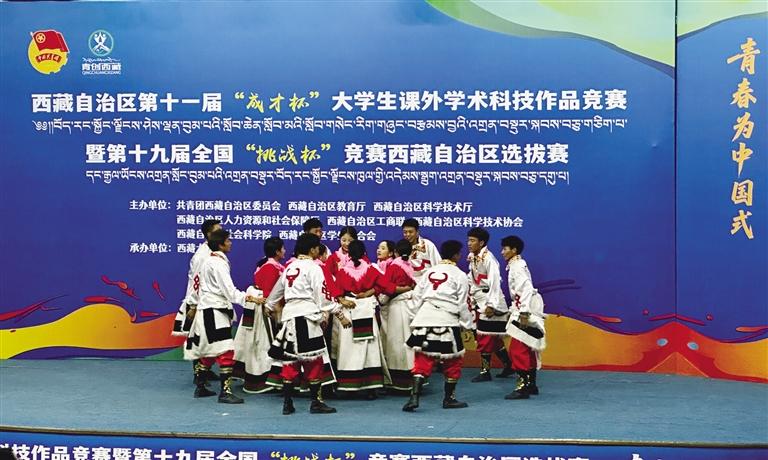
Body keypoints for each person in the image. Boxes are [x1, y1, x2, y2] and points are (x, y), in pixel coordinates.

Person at [265, 233, 351, 414]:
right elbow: (323, 297)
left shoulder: (289, 267)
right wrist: (339, 313)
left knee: (290, 361)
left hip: (290, 319)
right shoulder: (314, 268)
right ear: (312, 249)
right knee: (314, 361)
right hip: (307, 318)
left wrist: (269, 306)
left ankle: (287, 403)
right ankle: (315, 402)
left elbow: (276, 291)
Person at [184, 229, 261, 404]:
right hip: (215, 311)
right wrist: (250, 298)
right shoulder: (218, 263)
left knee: (210, 350)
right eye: (228, 240)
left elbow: (196, 286)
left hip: (207, 310)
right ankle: (225, 392)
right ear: (220, 244)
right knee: (226, 351)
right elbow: (229, 291)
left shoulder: (206, 261)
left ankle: (200, 387)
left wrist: (194, 304)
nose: (230, 243)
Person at [402, 240, 475, 412]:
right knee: (453, 361)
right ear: (456, 255)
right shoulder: (460, 275)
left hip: (425, 319)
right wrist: (467, 325)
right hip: (447, 320)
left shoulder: (429, 272)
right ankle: (449, 398)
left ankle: (414, 397)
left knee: (422, 360)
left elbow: (416, 297)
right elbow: (463, 303)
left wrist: (415, 318)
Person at [332, 240, 398, 398]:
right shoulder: (371, 269)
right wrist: (370, 292)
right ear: (364, 253)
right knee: (369, 349)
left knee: (349, 349)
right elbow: (388, 286)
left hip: (349, 309)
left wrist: (343, 300)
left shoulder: (342, 272)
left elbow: (336, 292)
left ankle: (348, 385)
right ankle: (371, 387)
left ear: (348, 254)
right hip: (366, 310)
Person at [171, 219, 221, 384]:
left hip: (208, 300)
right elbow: (196, 282)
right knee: (198, 336)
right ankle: (198, 374)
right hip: (199, 301)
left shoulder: (213, 252)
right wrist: (193, 305)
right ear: (209, 234)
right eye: (218, 231)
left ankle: (205, 371)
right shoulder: (202, 256)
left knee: (207, 336)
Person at [233, 236, 285, 394]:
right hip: (264, 310)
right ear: (277, 251)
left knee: (260, 343)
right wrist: (276, 310)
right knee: (262, 344)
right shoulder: (270, 268)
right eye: (282, 248)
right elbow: (269, 293)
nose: (285, 251)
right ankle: (261, 379)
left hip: (263, 307)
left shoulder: (271, 265)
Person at [501, 235, 546, 400]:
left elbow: (526, 287)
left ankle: (522, 388)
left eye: (505, 249)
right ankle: (531, 384)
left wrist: (524, 312)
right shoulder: (517, 264)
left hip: (526, 308)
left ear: (514, 250)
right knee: (529, 345)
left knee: (517, 348)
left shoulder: (517, 266)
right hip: (525, 306)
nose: (502, 252)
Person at [466, 227, 513, 382]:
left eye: (472, 240)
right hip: (480, 299)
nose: (469, 243)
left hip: (490, 302)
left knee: (484, 337)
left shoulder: (489, 259)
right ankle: (508, 365)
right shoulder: (473, 257)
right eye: (468, 240)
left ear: (481, 242)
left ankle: (485, 371)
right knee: (493, 338)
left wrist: (491, 305)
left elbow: (494, 282)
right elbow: (472, 278)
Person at [378, 239, 417, 391]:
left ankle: (399, 380)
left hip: (396, 306)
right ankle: (414, 377)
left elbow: (387, 288)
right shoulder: (410, 265)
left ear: (395, 252)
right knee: (409, 340)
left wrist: (382, 301)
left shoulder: (394, 266)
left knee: (397, 342)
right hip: (409, 305)